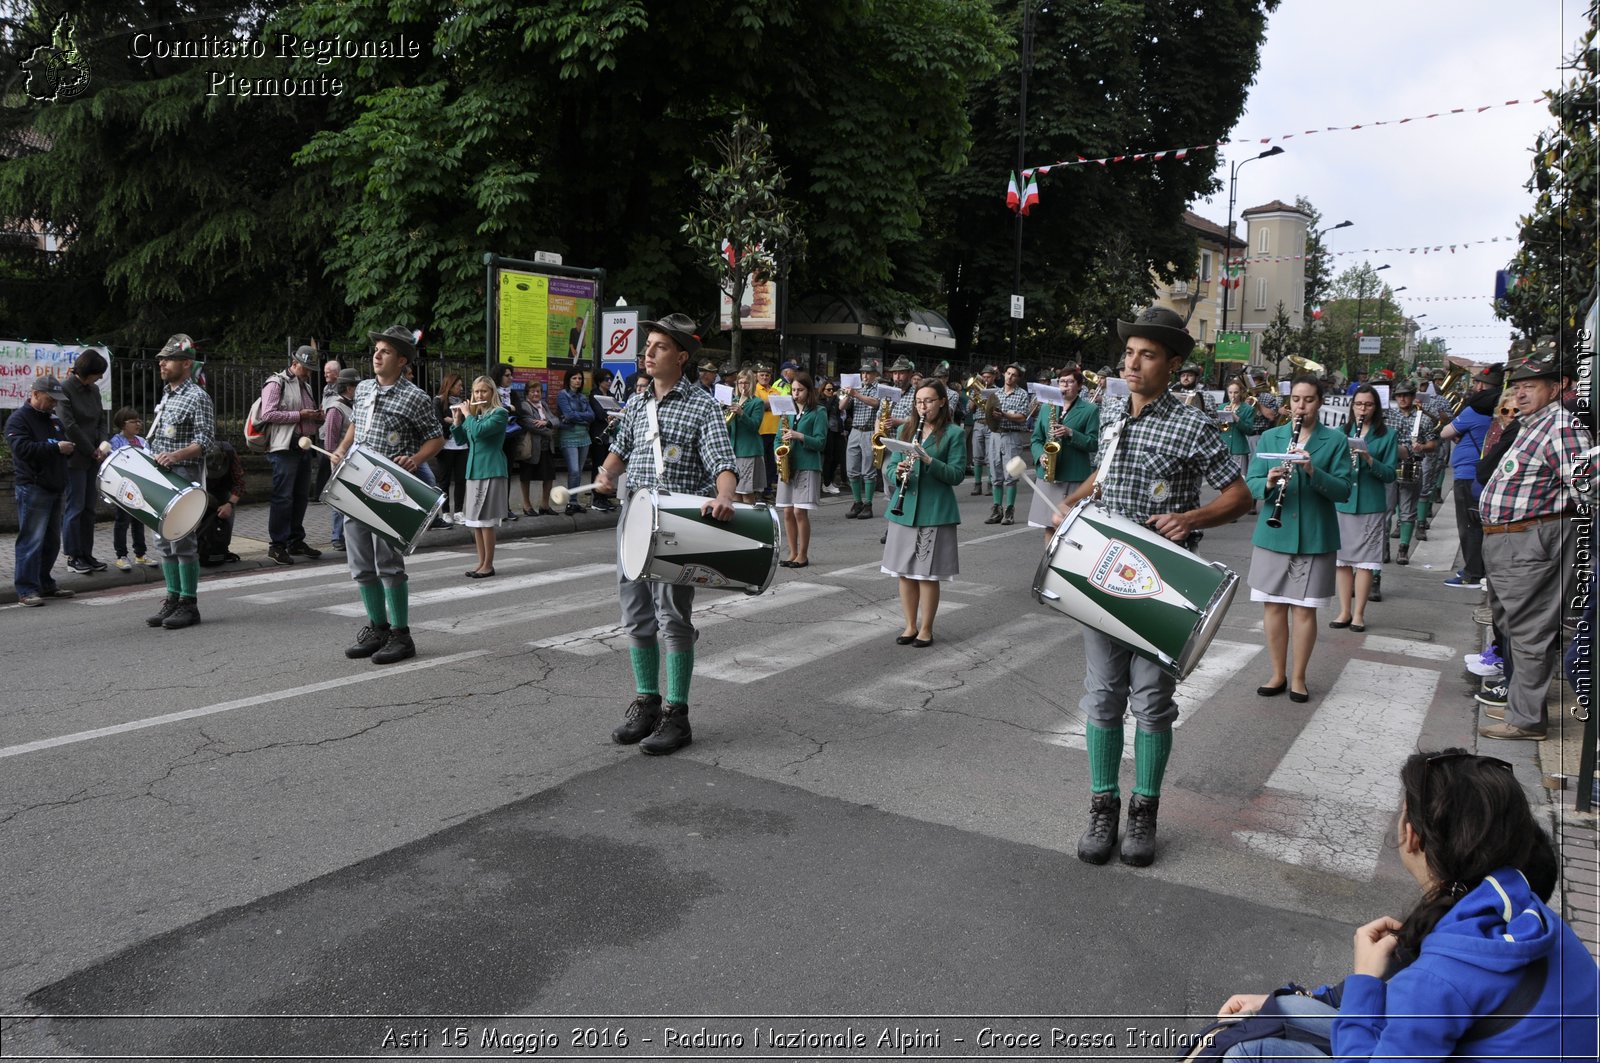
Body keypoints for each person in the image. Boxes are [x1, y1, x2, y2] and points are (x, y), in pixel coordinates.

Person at [1212, 750, 1598, 1060]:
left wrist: (1365, 979)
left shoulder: (1437, 975)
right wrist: (1294, 1000)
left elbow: (1425, 998)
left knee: (1249, 1051)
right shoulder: (1526, 910)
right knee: (1286, 1012)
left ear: (1410, 836)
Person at [1060, 308, 1251, 867]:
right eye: (1129, 353)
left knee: (1150, 702)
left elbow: (1240, 497)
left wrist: (1192, 518)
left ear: (1173, 364)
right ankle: (1103, 807)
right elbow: (1105, 473)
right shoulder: (1114, 414)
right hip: (1102, 571)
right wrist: (1072, 505)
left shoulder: (1192, 424)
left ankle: (1144, 812)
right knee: (1101, 696)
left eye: (1146, 355)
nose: (1132, 362)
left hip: (1162, 582)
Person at [592, 312, 737, 756]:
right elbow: (621, 450)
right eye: (647, 346)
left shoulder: (703, 405)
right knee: (636, 614)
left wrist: (725, 496)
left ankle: (678, 714)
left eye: (658, 347)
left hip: (674, 525)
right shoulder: (637, 403)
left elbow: (722, 462)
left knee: (672, 617)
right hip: (633, 517)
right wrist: (604, 475)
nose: (647, 353)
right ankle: (647, 703)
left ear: (681, 356)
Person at [1476, 351, 1592, 741]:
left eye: (1530, 386)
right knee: (1515, 626)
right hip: (1513, 541)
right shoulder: (1537, 422)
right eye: (1518, 386)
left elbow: (1589, 488)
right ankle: (1522, 708)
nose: (1521, 394)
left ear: (1558, 386)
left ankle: (1526, 719)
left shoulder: (1561, 425)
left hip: (1532, 540)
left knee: (1529, 630)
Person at [330, 325, 444, 665]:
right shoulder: (363, 389)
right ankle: (377, 627)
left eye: (386, 351)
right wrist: (340, 449)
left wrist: (416, 459)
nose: (377, 355)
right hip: (354, 484)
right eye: (376, 350)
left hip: (389, 489)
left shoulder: (416, 397)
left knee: (388, 564)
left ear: (403, 360)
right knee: (361, 565)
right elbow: (355, 426)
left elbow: (435, 438)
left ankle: (401, 634)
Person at [1246, 375, 1352, 702]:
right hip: (1273, 534)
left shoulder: (1334, 441)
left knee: (1305, 611)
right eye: (1295, 400)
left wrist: (1311, 472)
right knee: (1273, 606)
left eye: (1308, 400)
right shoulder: (1271, 436)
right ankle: (1277, 673)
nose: (1300, 407)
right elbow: (1250, 482)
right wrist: (1268, 482)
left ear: (1319, 403)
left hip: (1314, 536)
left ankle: (1299, 677)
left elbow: (1344, 491)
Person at [881, 380, 967, 646]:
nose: (923, 406)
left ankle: (926, 628)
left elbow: (957, 475)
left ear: (942, 402)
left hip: (934, 510)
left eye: (928, 401)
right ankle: (909, 626)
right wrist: (895, 472)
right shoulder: (908, 429)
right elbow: (889, 465)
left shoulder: (954, 433)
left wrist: (929, 461)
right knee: (904, 572)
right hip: (903, 508)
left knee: (926, 574)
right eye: (919, 401)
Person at [140, 335, 215, 629]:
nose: (161, 363)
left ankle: (189, 603)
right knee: (162, 538)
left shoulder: (198, 396)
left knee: (182, 538)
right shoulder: (168, 393)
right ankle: (172, 598)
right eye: (161, 359)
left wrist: (176, 455)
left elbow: (206, 441)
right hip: (162, 474)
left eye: (167, 359)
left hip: (183, 475)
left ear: (186, 364)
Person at [1330, 385, 1396, 633]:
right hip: (1344, 502)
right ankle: (1344, 611)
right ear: (1352, 406)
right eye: (1359, 404)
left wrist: (1369, 459)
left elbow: (1389, 474)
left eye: (1368, 405)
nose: (1363, 409)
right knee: (1342, 562)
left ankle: (1359, 614)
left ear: (1376, 408)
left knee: (1366, 562)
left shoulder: (1387, 435)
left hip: (1370, 504)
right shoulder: (1340, 432)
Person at [6, 375, 76, 606]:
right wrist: (55, 447)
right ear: (35, 394)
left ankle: (45, 583)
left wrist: (67, 449)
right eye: (50, 399)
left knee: (51, 541)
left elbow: (62, 445)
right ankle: (26, 589)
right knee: (31, 540)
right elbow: (22, 449)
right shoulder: (18, 420)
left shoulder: (53, 420)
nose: (54, 404)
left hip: (55, 486)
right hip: (33, 487)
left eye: (56, 400)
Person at [259, 345, 325, 565]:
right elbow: (268, 413)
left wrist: (316, 417)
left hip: (304, 447)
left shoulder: (305, 386)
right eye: (307, 368)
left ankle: (295, 540)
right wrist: (300, 414)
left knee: (300, 496)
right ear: (295, 363)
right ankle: (277, 545)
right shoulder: (276, 383)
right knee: (283, 497)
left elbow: (306, 416)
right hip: (284, 448)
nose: (309, 373)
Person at [1438, 366, 1501, 588]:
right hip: (1485, 471)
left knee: (1468, 525)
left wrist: (1455, 427)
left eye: (1475, 383)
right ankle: (1479, 570)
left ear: (1482, 385)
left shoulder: (1474, 410)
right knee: (1479, 523)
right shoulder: (1497, 408)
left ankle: (1472, 573)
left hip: (1467, 474)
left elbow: (1445, 432)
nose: (1473, 387)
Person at [1027, 367, 1098, 542]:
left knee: (1071, 530)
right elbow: (1036, 439)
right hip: (1048, 475)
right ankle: (1049, 565)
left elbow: (1094, 443)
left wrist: (1071, 433)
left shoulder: (1090, 409)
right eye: (1061, 382)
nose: (1064, 386)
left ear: (1080, 385)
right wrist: (1040, 456)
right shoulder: (1046, 408)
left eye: (1070, 382)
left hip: (1073, 476)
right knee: (1048, 526)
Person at [57, 348, 108, 574]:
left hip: (94, 457)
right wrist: (90, 450)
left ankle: (87, 553)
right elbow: (69, 425)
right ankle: (73, 556)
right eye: (98, 373)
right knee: (75, 507)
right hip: (76, 457)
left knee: (89, 509)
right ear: (88, 371)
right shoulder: (64, 389)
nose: (100, 378)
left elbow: (101, 419)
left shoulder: (94, 390)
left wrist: (103, 443)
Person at [452, 375, 509, 578]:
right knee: (475, 521)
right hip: (474, 470)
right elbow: (461, 440)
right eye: (476, 391)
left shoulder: (500, 414)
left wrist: (467, 415)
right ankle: (481, 562)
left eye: (483, 391)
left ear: (492, 393)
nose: (479, 395)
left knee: (485, 521)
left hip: (491, 469)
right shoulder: (475, 418)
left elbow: (478, 434)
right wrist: (458, 421)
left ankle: (489, 564)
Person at [775, 371, 826, 567]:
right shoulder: (787, 411)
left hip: (807, 465)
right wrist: (776, 453)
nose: (796, 394)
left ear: (809, 391)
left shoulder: (819, 412)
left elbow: (821, 442)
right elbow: (778, 438)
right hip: (787, 465)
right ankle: (792, 553)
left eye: (800, 390)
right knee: (787, 512)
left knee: (799, 512)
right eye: (793, 390)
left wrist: (800, 436)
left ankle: (803, 555)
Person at [1387, 381, 1437, 566]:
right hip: (1390, 466)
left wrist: (1422, 446)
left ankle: (1403, 549)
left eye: (1406, 395)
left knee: (1407, 511)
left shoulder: (1423, 419)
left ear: (1412, 396)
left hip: (1412, 465)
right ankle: (1384, 548)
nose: (1402, 398)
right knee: (1385, 510)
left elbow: (1433, 444)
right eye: (1399, 395)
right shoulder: (1387, 416)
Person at [105, 408, 158, 570]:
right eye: (133, 421)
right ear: (123, 424)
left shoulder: (142, 441)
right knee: (122, 521)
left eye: (138, 420)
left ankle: (140, 554)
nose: (138, 424)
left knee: (139, 521)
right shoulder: (116, 441)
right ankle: (121, 555)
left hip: (140, 487)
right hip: (124, 488)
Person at [984, 362, 1034, 525]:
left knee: (1011, 475)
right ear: (1004, 374)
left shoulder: (1021, 394)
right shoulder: (996, 393)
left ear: (1018, 378)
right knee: (995, 474)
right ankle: (996, 509)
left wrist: (1004, 415)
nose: (1010, 376)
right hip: (995, 435)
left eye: (1014, 375)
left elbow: (1022, 417)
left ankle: (1010, 510)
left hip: (1012, 436)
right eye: (1008, 373)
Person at [840, 357, 884, 518]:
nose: (865, 376)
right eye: (863, 373)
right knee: (852, 469)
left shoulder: (879, 388)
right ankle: (857, 502)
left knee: (868, 470)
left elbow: (875, 403)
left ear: (875, 375)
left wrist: (856, 394)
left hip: (869, 431)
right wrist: (848, 394)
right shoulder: (856, 387)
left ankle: (868, 504)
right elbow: (841, 407)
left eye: (868, 373)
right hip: (855, 430)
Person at [321, 368, 359, 550]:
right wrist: (335, 456)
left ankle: (348, 536)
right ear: (349, 388)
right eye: (356, 385)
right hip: (340, 459)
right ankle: (337, 537)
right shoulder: (335, 409)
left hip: (355, 459)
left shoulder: (354, 405)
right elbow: (329, 441)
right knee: (339, 497)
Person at [196, 439, 246, 567]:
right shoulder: (194, 454)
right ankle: (197, 549)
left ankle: (222, 548)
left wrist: (229, 504)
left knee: (227, 514)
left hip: (223, 489)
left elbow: (239, 483)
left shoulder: (229, 452)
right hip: (198, 487)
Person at [555, 367, 594, 516]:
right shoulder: (563, 395)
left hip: (584, 437)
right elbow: (568, 415)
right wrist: (583, 419)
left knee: (579, 471)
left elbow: (592, 416)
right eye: (574, 378)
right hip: (569, 435)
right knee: (574, 470)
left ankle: (575, 502)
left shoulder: (583, 397)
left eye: (579, 379)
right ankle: (571, 503)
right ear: (568, 380)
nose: (577, 381)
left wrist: (580, 419)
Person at [515, 380, 557, 516]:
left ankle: (545, 505)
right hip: (532, 448)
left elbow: (556, 420)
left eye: (538, 391)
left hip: (547, 447)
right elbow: (531, 425)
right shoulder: (524, 406)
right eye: (532, 391)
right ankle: (527, 506)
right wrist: (550, 429)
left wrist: (547, 423)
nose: (536, 394)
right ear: (527, 393)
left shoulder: (543, 405)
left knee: (548, 477)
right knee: (526, 477)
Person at [726, 367, 767, 505]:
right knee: (735, 493)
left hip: (749, 450)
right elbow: (727, 426)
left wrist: (742, 414)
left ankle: (750, 522)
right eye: (740, 383)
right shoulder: (733, 400)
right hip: (734, 450)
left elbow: (755, 425)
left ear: (752, 384)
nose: (743, 386)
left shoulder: (757, 402)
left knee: (746, 494)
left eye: (746, 383)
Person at [433, 374, 468, 523]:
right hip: (446, 445)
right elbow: (438, 422)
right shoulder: (438, 401)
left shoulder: (463, 403)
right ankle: (446, 512)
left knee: (461, 479)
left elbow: (467, 423)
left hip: (462, 446)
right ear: (450, 385)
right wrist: (454, 423)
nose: (461, 388)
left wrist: (453, 421)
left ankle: (459, 511)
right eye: (458, 385)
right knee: (444, 480)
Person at [587, 371, 620, 512]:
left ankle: (604, 498)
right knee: (598, 465)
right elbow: (598, 414)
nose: (609, 382)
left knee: (606, 466)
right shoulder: (594, 395)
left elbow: (617, 411)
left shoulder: (611, 396)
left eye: (611, 379)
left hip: (610, 435)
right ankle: (596, 498)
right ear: (600, 381)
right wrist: (609, 415)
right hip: (598, 435)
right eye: (606, 379)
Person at [1218, 378, 1257, 483]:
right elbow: (1222, 429)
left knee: (1240, 479)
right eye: (1230, 392)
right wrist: (1223, 417)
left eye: (1236, 392)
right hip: (1224, 448)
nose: (1233, 396)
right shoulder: (1222, 407)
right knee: (1224, 479)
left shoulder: (1248, 409)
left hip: (1239, 448)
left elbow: (1249, 430)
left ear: (1241, 393)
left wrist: (1236, 418)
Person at [313, 358, 342, 499]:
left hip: (334, 431)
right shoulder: (326, 388)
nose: (325, 375)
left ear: (337, 373)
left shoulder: (341, 388)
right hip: (323, 430)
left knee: (326, 463)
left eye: (328, 373)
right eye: (325, 373)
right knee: (323, 463)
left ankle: (322, 493)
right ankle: (321, 493)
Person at [968, 363, 998, 496]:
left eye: (988, 377)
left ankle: (990, 484)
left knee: (990, 456)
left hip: (991, 424)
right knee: (976, 456)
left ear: (994, 377)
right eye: (984, 377)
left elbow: (999, 408)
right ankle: (977, 485)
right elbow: (970, 409)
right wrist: (975, 396)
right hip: (978, 424)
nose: (986, 379)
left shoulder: (998, 391)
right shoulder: (977, 389)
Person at [754, 363, 780, 498]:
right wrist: (772, 404)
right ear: (756, 376)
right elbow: (757, 405)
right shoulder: (755, 389)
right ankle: (760, 489)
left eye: (767, 375)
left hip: (775, 431)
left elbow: (781, 406)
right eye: (762, 375)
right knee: (762, 462)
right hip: (761, 431)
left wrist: (766, 404)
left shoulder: (775, 390)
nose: (765, 377)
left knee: (772, 463)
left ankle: (768, 489)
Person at [819, 378, 847, 494]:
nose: (831, 391)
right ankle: (826, 483)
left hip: (837, 430)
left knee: (837, 457)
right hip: (827, 431)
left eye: (832, 389)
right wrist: (833, 397)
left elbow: (842, 408)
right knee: (828, 458)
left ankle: (829, 481)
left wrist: (844, 395)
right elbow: (826, 410)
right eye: (828, 389)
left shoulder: (835, 399)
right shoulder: (821, 401)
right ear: (823, 390)